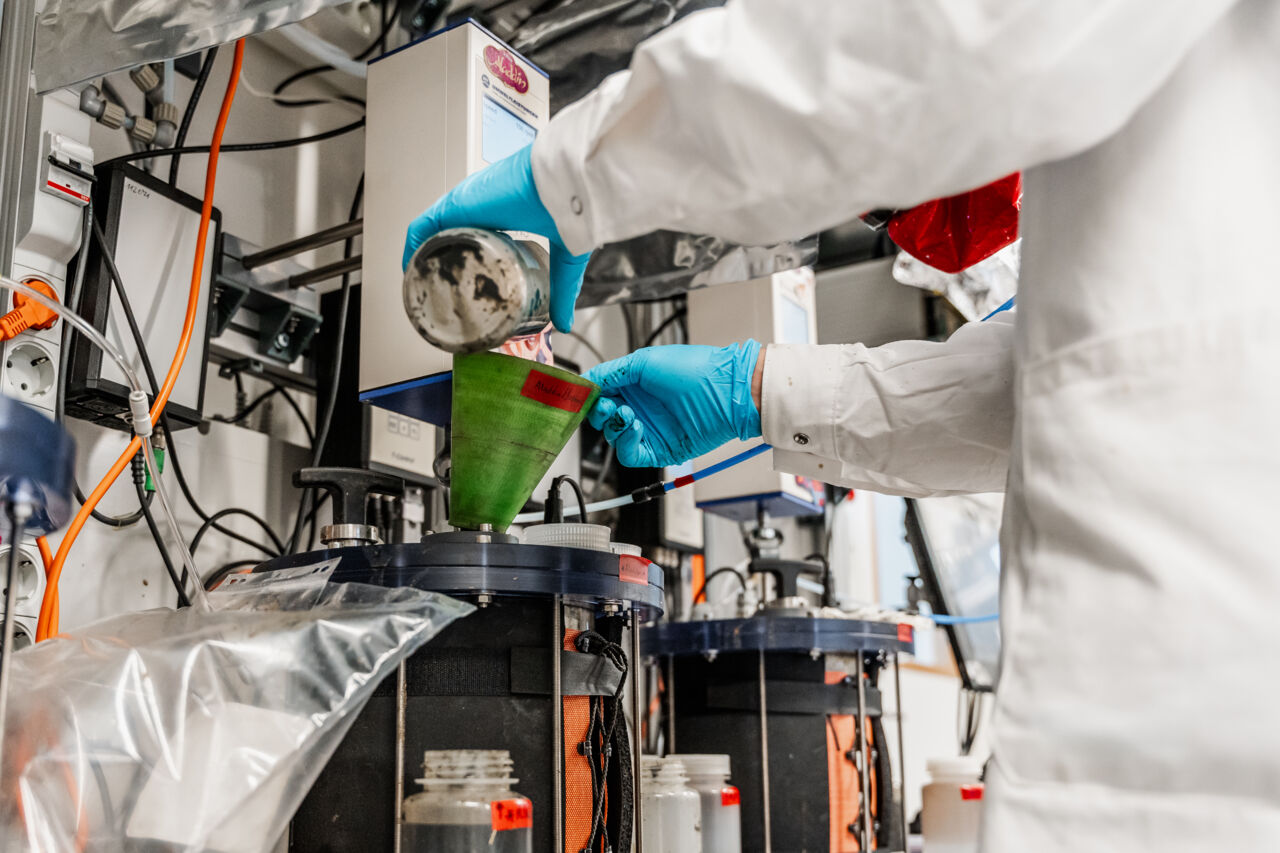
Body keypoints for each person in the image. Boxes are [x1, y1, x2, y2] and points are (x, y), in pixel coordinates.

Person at [404, 1, 1280, 848]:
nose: (883, 218)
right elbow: (1034, 389)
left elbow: (922, 41)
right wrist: (758, 390)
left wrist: (575, 175)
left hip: (1194, 751)